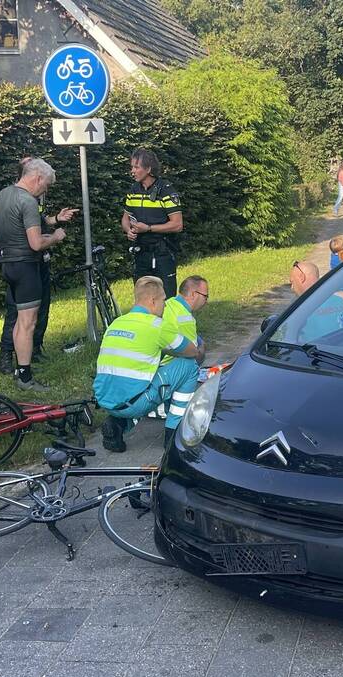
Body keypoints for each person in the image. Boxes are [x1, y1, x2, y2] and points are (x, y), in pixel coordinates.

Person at [0, 158, 78, 375]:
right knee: (23, 319)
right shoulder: (27, 200)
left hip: (10, 263)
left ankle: (25, 359)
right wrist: (56, 237)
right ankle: (21, 371)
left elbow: (29, 225)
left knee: (24, 316)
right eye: (46, 184)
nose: (45, 190)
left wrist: (55, 219)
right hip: (25, 264)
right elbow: (35, 242)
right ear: (37, 177)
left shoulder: (5, 195)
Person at [95, 276, 203, 453]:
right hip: (134, 403)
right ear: (153, 301)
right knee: (189, 366)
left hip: (106, 400)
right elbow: (192, 351)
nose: (165, 305)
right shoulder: (157, 325)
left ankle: (117, 424)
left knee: (143, 378)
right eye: (163, 300)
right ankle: (174, 432)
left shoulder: (117, 322)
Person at [123, 148, 183, 298]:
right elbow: (125, 218)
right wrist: (128, 230)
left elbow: (177, 224)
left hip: (162, 252)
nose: (132, 171)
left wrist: (148, 228)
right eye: (132, 167)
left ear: (148, 169)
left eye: (136, 167)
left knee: (166, 298)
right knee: (143, 298)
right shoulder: (133, 190)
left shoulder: (166, 191)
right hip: (141, 252)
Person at [149, 275, 210, 420]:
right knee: (191, 364)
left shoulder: (169, 304)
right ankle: (170, 407)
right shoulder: (186, 319)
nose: (206, 301)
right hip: (162, 370)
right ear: (194, 294)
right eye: (206, 296)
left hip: (149, 365)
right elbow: (194, 354)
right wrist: (202, 347)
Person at [289, 260, 343, 342]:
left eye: (292, 282)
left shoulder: (300, 309)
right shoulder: (339, 300)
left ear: (302, 278)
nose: (292, 287)